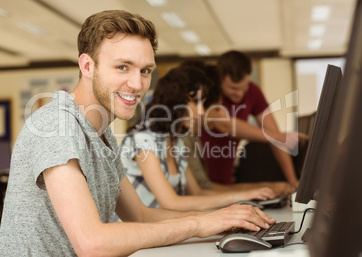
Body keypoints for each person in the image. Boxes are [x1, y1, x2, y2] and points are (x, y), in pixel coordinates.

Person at [0, 10, 276, 256]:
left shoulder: (102, 134)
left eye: (145, 71)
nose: (137, 83)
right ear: (87, 66)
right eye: (123, 67)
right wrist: (200, 223)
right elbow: (92, 244)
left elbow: (140, 215)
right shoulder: (56, 126)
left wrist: (221, 219)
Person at [119, 66, 276, 213]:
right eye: (196, 102)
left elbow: (197, 192)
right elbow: (172, 203)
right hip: (135, 236)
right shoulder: (143, 139)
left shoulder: (176, 141)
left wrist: (247, 196)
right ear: (175, 101)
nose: (201, 112)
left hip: (162, 232)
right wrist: (243, 197)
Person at [180, 64, 294, 195]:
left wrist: (283, 183)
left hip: (219, 185)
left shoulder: (189, 136)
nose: (222, 115)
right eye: (217, 108)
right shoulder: (182, 139)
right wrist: (261, 189)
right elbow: (199, 192)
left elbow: (200, 189)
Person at [200, 50, 308, 188]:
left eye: (244, 87)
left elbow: (274, 135)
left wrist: (293, 181)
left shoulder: (253, 91)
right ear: (220, 79)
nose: (240, 93)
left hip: (225, 178)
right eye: (233, 88)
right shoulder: (211, 93)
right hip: (201, 176)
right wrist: (279, 136)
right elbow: (225, 125)